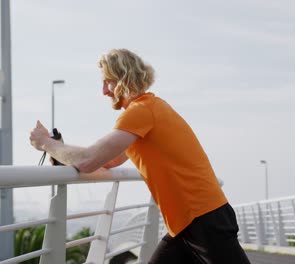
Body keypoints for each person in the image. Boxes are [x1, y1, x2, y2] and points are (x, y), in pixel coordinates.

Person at [30, 48, 251, 264]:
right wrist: (61, 152)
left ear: (123, 79)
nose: (104, 91)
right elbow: (107, 161)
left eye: (107, 81)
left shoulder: (140, 112)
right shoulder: (150, 109)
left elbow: (88, 161)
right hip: (186, 223)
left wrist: (45, 143)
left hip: (203, 219)